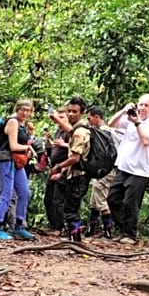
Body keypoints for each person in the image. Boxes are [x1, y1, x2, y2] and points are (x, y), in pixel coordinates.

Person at [107, 94, 149, 244]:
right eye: (140, 105)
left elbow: (146, 141)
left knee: (130, 203)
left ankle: (130, 234)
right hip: (123, 166)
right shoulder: (131, 118)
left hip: (140, 170)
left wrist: (138, 123)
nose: (142, 108)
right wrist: (123, 111)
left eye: (146, 105)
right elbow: (111, 124)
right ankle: (124, 229)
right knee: (113, 198)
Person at [49, 97, 94, 243]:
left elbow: (75, 157)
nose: (70, 114)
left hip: (79, 175)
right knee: (71, 207)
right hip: (74, 174)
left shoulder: (80, 132)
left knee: (71, 209)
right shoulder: (78, 129)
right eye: (69, 111)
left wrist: (59, 167)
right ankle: (74, 239)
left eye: (74, 111)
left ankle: (75, 241)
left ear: (82, 113)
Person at [0, 99, 37, 241]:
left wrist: (29, 139)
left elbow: (22, 144)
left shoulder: (22, 125)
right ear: (17, 109)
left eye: (28, 110)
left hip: (17, 162)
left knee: (24, 192)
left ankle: (19, 226)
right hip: (6, 160)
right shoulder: (12, 122)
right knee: (7, 193)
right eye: (23, 109)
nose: (25, 112)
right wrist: (28, 148)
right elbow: (13, 146)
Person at [85, 106, 119, 239]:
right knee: (95, 199)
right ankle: (91, 228)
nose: (88, 121)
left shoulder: (102, 133)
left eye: (89, 118)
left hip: (105, 170)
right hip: (104, 170)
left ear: (96, 117)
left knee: (101, 200)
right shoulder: (106, 131)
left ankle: (108, 231)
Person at [43, 107, 72, 233]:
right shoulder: (59, 132)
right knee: (48, 199)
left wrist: (62, 172)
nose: (59, 120)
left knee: (57, 200)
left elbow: (76, 150)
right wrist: (50, 143)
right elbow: (53, 153)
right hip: (54, 169)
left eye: (62, 117)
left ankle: (60, 227)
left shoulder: (70, 131)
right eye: (58, 117)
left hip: (64, 170)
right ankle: (54, 226)